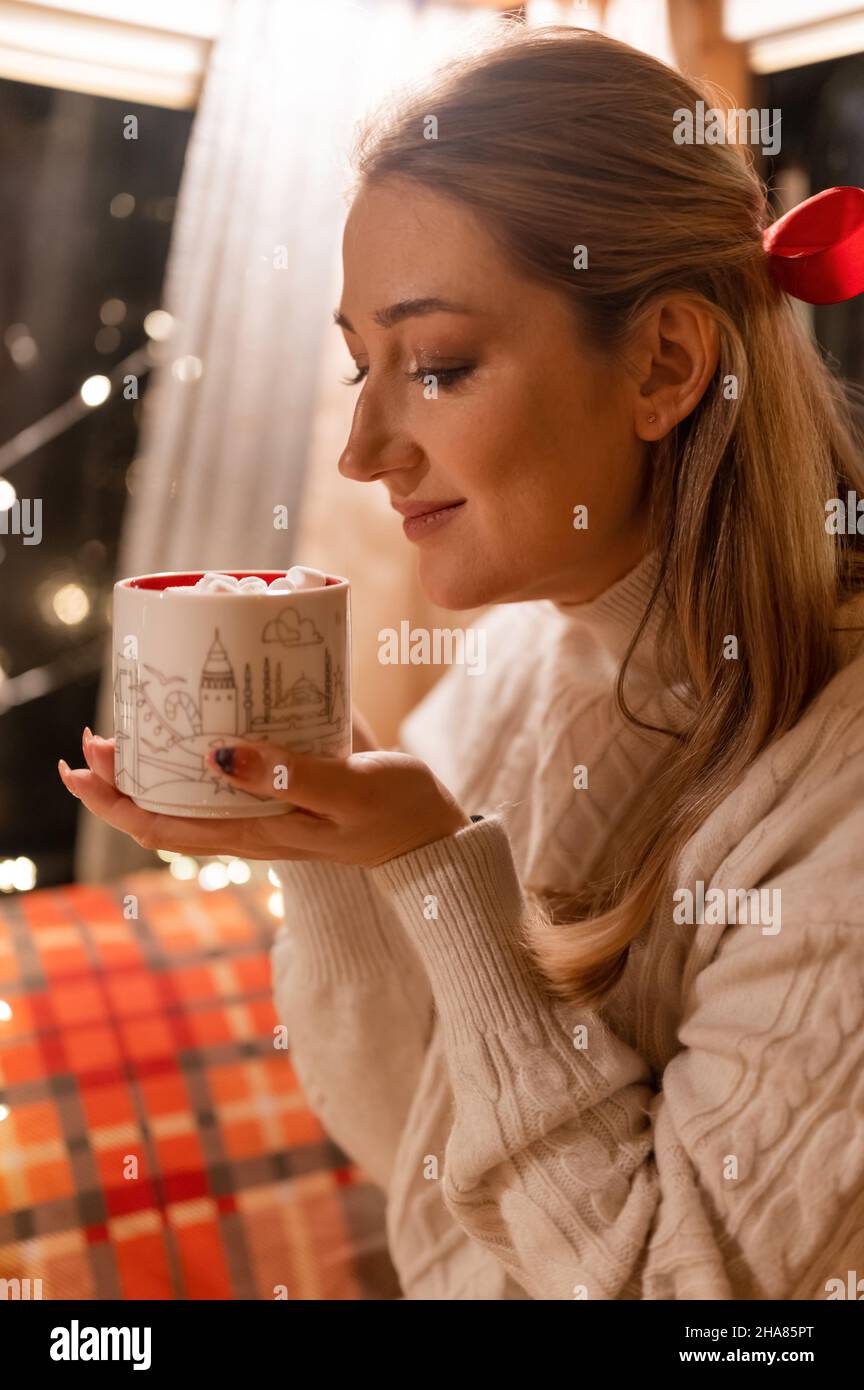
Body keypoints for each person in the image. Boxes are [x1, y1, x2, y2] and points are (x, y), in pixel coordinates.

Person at [60, 24, 864, 1300]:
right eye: (358, 366)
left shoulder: (838, 799)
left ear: (663, 363)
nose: (363, 449)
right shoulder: (512, 665)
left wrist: (439, 875)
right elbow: (415, 1154)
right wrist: (322, 852)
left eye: (436, 366)